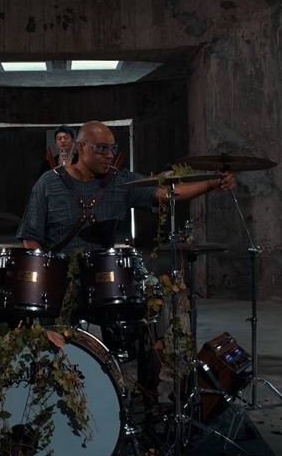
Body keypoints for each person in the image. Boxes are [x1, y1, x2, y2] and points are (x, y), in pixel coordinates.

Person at [17, 120, 235, 405]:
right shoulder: (48, 183)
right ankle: (56, 400)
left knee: (151, 314)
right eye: (101, 148)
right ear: (80, 147)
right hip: (61, 284)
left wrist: (211, 183)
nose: (109, 155)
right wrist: (49, 275)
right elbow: (30, 237)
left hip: (105, 282)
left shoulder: (120, 181)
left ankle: (148, 395)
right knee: (52, 348)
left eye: (112, 148)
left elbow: (167, 193)